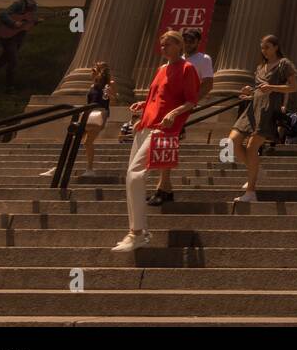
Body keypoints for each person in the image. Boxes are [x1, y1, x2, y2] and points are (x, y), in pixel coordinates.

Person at [112, 31, 199, 252]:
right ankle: (137, 231)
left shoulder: (187, 68)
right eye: (161, 45)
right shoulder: (160, 69)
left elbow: (191, 101)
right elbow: (155, 97)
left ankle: (138, 233)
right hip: (145, 125)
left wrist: (174, 113)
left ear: (179, 46)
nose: (163, 48)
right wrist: (142, 106)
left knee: (135, 174)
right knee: (131, 177)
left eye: (167, 44)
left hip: (163, 128)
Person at [148, 27, 215, 206]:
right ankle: (165, 189)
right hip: (168, 109)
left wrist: (191, 104)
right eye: (185, 39)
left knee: (167, 144)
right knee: (165, 145)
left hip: (183, 108)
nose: (187, 43)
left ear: (198, 42)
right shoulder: (173, 61)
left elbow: (208, 83)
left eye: (191, 40)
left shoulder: (203, 59)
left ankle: (162, 189)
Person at [229, 34, 297, 203]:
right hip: (252, 109)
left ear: (276, 47)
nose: (264, 51)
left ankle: (251, 192)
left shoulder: (284, 64)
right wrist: (248, 92)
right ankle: (255, 170)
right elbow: (258, 90)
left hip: (268, 110)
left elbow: (293, 87)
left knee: (252, 148)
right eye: (262, 47)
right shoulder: (261, 66)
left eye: (267, 47)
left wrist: (272, 87)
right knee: (232, 141)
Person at [41, 61, 114, 179]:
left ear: (100, 72)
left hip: (99, 115)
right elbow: (89, 102)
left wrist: (111, 95)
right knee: (73, 141)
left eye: (94, 70)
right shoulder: (92, 85)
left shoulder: (108, 84)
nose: (91, 73)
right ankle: (58, 168)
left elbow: (112, 101)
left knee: (87, 142)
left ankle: (89, 169)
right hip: (87, 114)